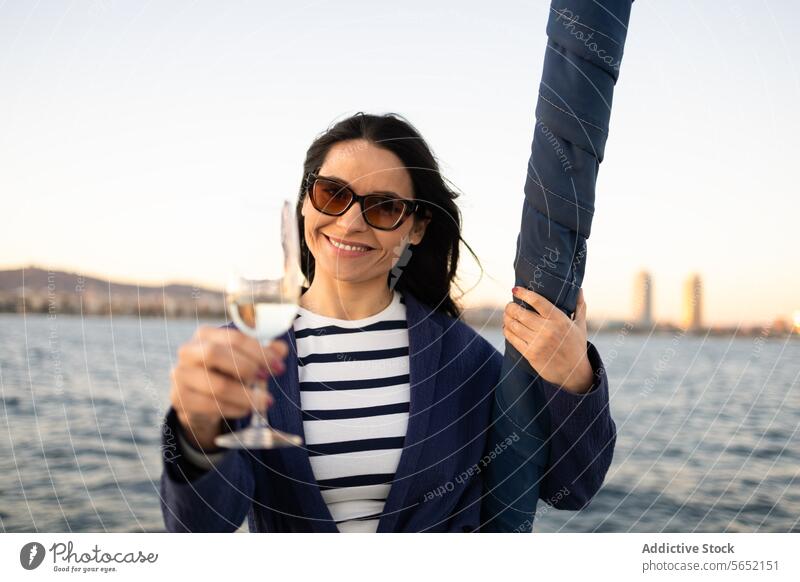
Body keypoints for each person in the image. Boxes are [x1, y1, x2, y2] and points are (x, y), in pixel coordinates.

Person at [159, 111, 615, 532]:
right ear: (304, 204)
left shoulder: (466, 362)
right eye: (331, 193)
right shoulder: (236, 356)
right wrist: (198, 435)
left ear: (415, 228)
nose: (351, 222)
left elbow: (571, 490)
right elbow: (199, 528)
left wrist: (573, 377)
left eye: (383, 207)